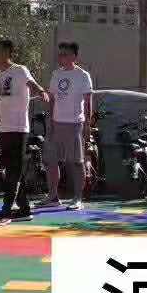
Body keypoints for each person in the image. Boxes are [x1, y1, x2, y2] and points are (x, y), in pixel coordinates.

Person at [0, 38, 49, 226]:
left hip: (19, 128)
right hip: (4, 128)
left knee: (13, 171)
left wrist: (41, 91)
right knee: (12, 170)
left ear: (7, 52)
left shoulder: (20, 70)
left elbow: (32, 84)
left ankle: (6, 211)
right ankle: (24, 209)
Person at [45, 41, 94, 209]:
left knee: (76, 162)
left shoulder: (83, 76)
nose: (61, 57)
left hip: (74, 124)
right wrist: (51, 121)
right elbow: (52, 99)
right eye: (60, 54)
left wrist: (88, 124)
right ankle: (53, 196)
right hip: (56, 124)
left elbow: (88, 101)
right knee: (51, 161)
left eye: (64, 54)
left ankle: (78, 198)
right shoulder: (56, 74)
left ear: (74, 56)